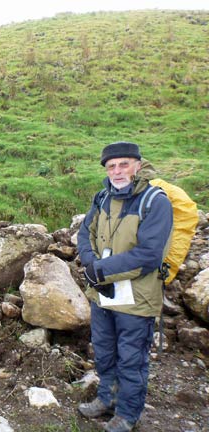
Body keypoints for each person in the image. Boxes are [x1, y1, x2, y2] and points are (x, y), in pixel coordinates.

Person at [77, 142, 173, 432]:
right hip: (102, 295)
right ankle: (106, 399)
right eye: (111, 166)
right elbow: (86, 234)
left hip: (136, 297)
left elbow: (149, 254)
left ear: (138, 165)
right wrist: (91, 264)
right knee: (104, 352)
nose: (117, 171)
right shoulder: (102, 197)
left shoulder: (156, 202)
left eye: (123, 164)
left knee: (132, 358)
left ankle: (128, 414)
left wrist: (100, 271)